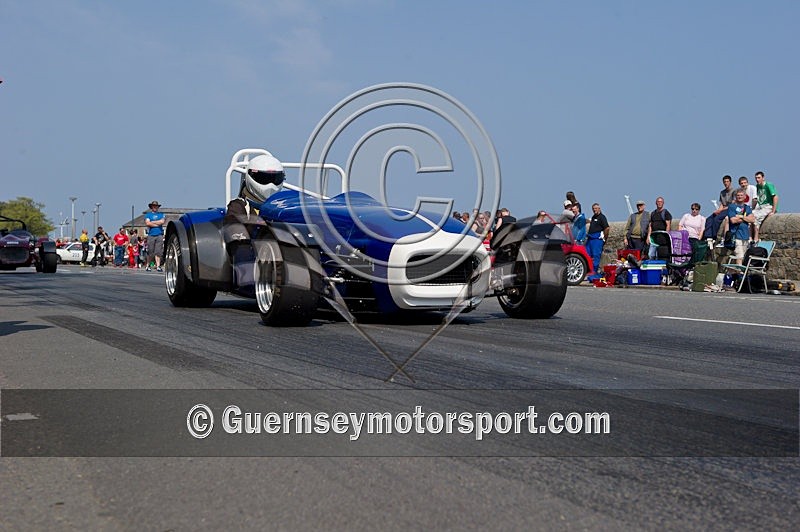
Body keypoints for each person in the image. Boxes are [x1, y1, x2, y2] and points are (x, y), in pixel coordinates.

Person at [224, 153, 286, 285]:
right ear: (251, 177)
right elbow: (235, 235)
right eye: (263, 178)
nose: (270, 185)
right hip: (253, 258)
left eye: (275, 179)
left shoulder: (285, 209)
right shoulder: (239, 206)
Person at [703, 175, 735, 241]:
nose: (726, 183)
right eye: (724, 182)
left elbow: (733, 204)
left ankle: (714, 236)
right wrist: (718, 210)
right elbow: (722, 204)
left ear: (730, 182)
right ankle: (708, 236)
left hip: (730, 209)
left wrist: (721, 210)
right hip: (723, 209)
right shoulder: (722, 192)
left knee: (717, 219)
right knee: (709, 219)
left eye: (727, 181)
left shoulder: (734, 191)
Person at [727, 189, 755, 265]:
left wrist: (740, 216)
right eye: (738, 195)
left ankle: (738, 273)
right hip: (736, 235)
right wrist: (746, 218)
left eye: (741, 195)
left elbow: (752, 219)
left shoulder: (747, 208)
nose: (739, 197)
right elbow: (733, 220)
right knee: (739, 256)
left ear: (745, 196)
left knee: (744, 257)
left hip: (745, 236)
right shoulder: (732, 207)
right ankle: (739, 275)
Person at [752, 171, 779, 242]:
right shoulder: (757, 186)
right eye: (756, 178)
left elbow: (775, 197)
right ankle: (750, 238)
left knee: (757, 218)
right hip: (760, 206)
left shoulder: (768, 185)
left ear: (763, 178)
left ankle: (756, 238)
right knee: (750, 216)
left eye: (759, 178)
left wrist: (773, 210)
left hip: (768, 206)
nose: (757, 179)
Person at [586, 203, 609, 273]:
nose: (594, 210)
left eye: (596, 208)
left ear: (599, 209)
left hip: (597, 239)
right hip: (590, 239)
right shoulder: (593, 217)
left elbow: (607, 228)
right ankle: (588, 271)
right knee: (587, 255)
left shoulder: (602, 217)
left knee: (596, 256)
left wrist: (605, 238)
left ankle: (594, 272)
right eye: (593, 209)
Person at [145, 200, 165, 272]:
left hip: (159, 234)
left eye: (156, 206)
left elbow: (162, 222)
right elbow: (147, 223)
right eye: (154, 206)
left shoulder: (161, 214)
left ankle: (158, 266)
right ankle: (148, 265)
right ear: (151, 207)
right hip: (151, 235)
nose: (155, 207)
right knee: (150, 251)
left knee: (158, 251)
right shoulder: (148, 215)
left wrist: (152, 222)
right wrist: (157, 224)